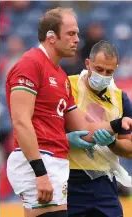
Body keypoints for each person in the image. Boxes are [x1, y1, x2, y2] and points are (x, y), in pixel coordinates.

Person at [6, 8, 132, 217]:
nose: (77, 40)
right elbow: (21, 122)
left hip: (57, 164)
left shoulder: (61, 77)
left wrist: (117, 125)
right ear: (51, 37)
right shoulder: (30, 64)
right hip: (41, 162)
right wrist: (40, 172)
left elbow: (83, 128)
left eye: (77, 33)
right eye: (71, 33)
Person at [67, 40, 132, 217]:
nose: (103, 75)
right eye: (99, 69)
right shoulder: (67, 86)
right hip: (70, 179)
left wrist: (112, 142)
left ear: (116, 68)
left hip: (104, 182)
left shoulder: (121, 98)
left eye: (109, 71)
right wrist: (66, 138)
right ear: (88, 63)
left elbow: (128, 150)